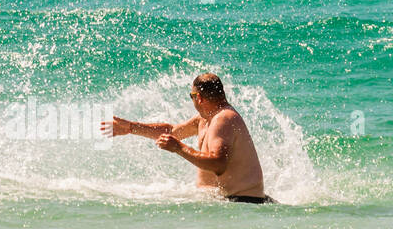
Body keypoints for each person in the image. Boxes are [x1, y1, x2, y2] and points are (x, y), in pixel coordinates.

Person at [100, 73, 271, 202]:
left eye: (191, 96)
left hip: (244, 203)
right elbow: (172, 131)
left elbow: (218, 163)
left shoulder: (224, 119)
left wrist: (179, 148)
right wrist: (131, 127)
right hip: (229, 202)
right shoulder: (206, 118)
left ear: (199, 98)